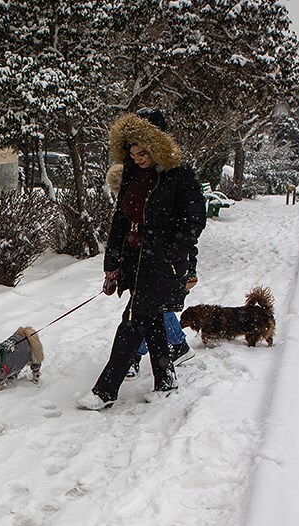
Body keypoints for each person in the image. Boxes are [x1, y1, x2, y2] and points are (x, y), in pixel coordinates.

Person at [77, 107, 206, 410]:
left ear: (158, 144)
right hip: (136, 259)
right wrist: (112, 261)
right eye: (132, 153)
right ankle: (166, 380)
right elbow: (120, 220)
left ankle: (106, 390)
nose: (137, 158)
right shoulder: (132, 176)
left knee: (133, 320)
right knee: (152, 318)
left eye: (142, 152)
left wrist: (173, 252)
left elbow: (194, 220)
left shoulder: (179, 175)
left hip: (162, 262)